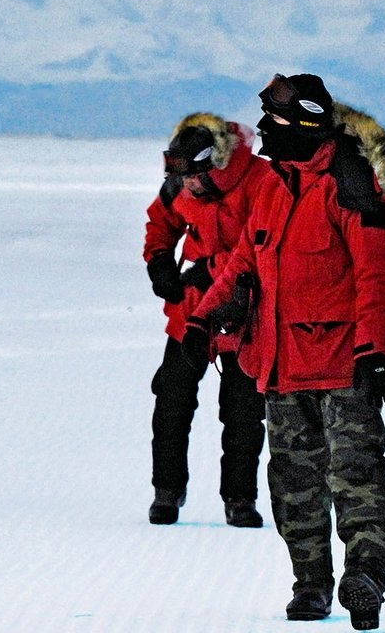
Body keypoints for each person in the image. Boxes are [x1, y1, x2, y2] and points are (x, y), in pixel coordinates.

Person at [181, 73, 385, 630]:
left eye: (275, 122)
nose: (262, 130)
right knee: (293, 486)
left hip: (344, 366)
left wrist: (374, 351)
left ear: (304, 124)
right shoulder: (273, 188)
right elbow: (244, 262)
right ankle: (311, 585)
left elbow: (376, 276)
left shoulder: (353, 184)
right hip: (280, 368)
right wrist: (202, 320)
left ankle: (365, 577)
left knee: (357, 478)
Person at [142, 112, 270, 527]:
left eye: (195, 179)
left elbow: (263, 246)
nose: (189, 187)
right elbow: (160, 221)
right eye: (184, 179)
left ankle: (240, 499)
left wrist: (211, 269)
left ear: (216, 164)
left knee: (243, 408)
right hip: (191, 309)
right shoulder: (181, 181)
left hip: (245, 310)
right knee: (171, 399)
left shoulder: (261, 182)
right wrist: (160, 261)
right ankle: (166, 492)